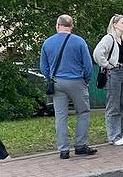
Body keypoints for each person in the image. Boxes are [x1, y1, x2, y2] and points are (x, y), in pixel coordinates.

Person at [40, 14, 97, 159]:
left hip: (57, 82)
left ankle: (64, 150)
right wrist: (85, 79)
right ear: (71, 26)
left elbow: (43, 66)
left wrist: (50, 78)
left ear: (57, 25)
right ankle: (80, 145)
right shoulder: (79, 42)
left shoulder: (48, 42)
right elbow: (88, 65)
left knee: (60, 117)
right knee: (83, 112)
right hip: (77, 81)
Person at [93, 14, 123, 146]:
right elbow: (97, 53)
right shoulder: (108, 38)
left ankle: (119, 133)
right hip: (113, 73)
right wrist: (107, 65)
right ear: (115, 24)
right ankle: (113, 136)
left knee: (121, 104)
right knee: (113, 105)